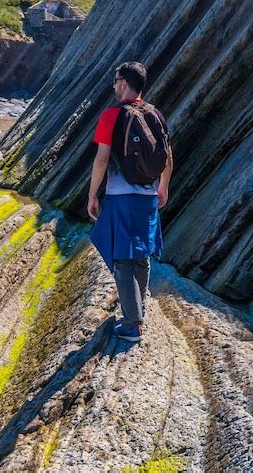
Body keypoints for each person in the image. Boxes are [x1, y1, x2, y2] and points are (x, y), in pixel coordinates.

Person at [88, 61, 173, 342]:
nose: (113, 85)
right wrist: (163, 187)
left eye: (115, 80)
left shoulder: (112, 115)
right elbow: (168, 157)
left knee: (122, 256)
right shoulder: (155, 114)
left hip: (120, 196)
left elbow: (102, 160)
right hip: (148, 196)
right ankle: (139, 308)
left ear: (123, 82)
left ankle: (132, 323)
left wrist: (92, 194)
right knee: (142, 252)